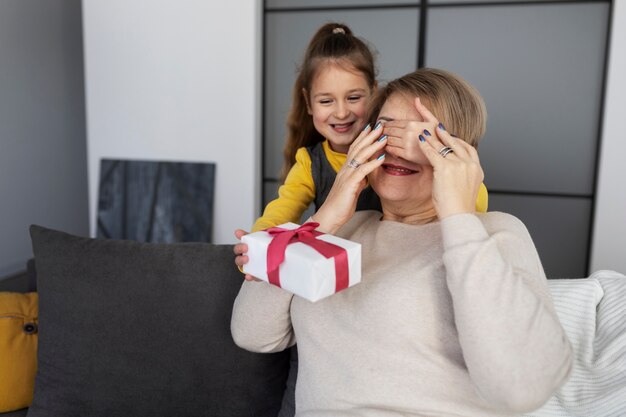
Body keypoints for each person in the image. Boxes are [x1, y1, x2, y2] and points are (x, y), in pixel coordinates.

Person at [232, 67, 572, 416]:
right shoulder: (343, 228)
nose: (397, 149)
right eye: (385, 130)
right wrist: (325, 217)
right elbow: (252, 333)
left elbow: (521, 388)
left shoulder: (494, 233)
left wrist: (457, 214)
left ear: (460, 155)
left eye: (425, 136)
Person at [253, 22, 488, 232]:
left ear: (374, 93)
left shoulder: (395, 151)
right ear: (309, 103)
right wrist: (256, 242)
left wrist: (431, 149)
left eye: (354, 98)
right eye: (326, 101)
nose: (342, 112)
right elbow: (277, 216)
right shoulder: (310, 162)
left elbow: (469, 190)